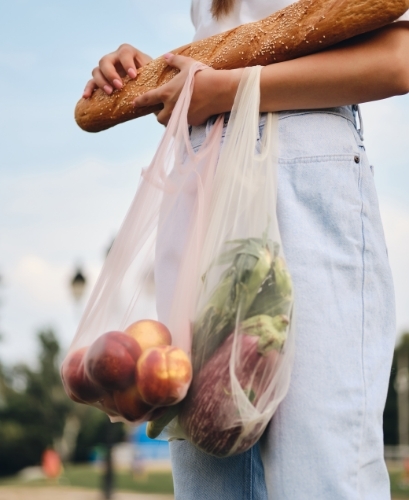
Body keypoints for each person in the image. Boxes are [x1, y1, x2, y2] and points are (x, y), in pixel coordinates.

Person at [82, 1, 409, 498]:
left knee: (319, 472)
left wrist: (228, 91)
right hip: (202, 167)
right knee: (210, 462)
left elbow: (399, 56)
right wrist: (153, 74)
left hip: (298, 154)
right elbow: (234, 39)